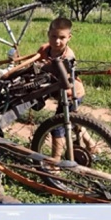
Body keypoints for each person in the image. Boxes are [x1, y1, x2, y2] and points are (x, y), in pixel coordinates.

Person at [35, 17, 94, 162]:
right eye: (53, 36)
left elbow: (64, 81)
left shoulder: (68, 56)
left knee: (58, 126)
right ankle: (91, 144)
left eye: (62, 37)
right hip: (58, 92)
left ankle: (55, 161)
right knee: (74, 121)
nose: (57, 41)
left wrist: (45, 69)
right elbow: (35, 64)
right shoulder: (44, 49)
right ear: (48, 34)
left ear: (69, 37)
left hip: (71, 94)